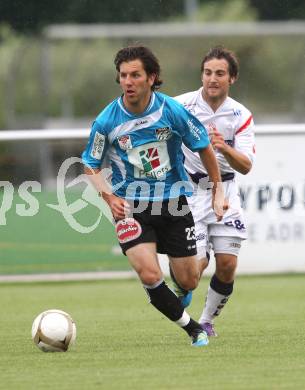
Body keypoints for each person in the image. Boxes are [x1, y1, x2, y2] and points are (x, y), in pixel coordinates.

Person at [82, 45, 226, 347]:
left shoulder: (171, 111)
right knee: (149, 274)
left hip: (173, 203)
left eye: (135, 75)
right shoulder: (107, 121)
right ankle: (193, 329)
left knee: (188, 280)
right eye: (123, 76)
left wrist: (217, 189)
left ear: (152, 78)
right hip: (131, 206)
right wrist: (109, 198)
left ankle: (181, 286)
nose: (128, 81)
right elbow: (90, 164)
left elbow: (203, 145)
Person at [173, 46, 255, 337]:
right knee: (193, 272)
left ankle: (206, 321)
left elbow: (246, 166)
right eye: (208, 72)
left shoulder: (241, 115)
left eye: (220, 73)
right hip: (192, 193)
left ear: (232, 78)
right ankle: (181, 283)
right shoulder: (181, 105)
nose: (212, 79)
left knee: (228, 265)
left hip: (227, 192)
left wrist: (224, 147)